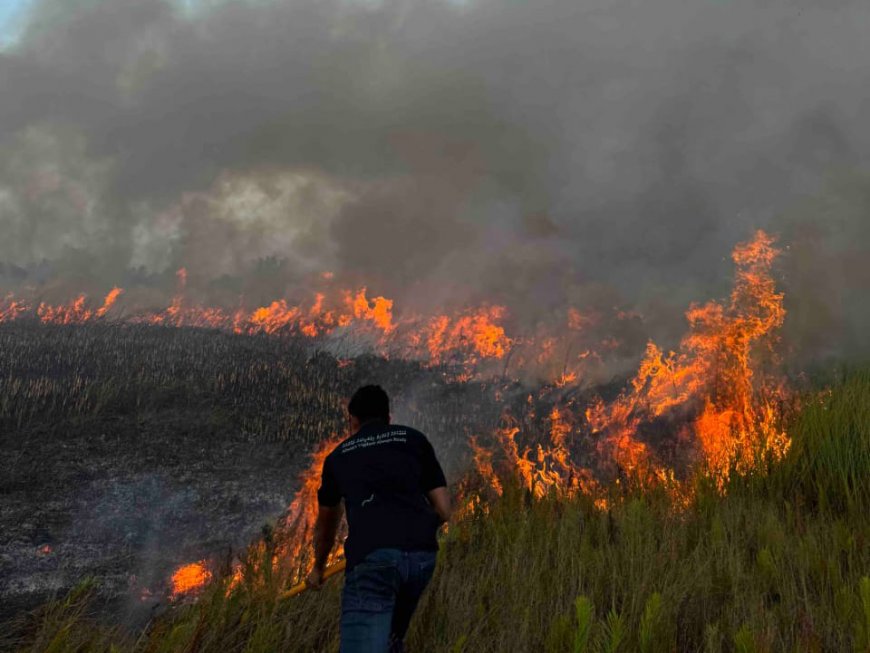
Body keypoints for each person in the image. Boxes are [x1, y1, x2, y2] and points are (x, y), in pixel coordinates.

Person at [306, 385, 451, 653]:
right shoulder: (414, 440)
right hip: (421, 557)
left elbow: (326, 526)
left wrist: (318, 567)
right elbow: (443, 510)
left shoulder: (338, 457)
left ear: (354, 421)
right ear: (388, 417)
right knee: (388, 640)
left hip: (373, 561)